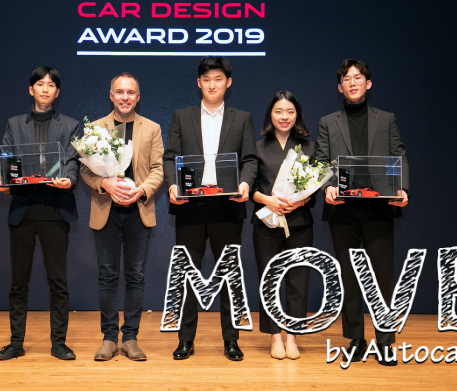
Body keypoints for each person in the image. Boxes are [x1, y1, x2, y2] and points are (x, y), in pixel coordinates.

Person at [314, 59, 409, 366]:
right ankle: (355, 339)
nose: (352, 82)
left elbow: (398, 155)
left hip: (379, 207)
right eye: (347, 79)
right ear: (339, 87)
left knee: (382, 276)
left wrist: (403, 188)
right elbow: (321, 161)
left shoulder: (387, 119)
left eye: (358, 78)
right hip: (343, 210)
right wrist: (326, 187)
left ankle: (385, 341)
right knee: (349, 277)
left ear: (368, 84)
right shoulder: (328, 122)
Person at [163, 56, 257, 361]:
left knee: (230, 275)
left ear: (228, 83)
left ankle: (231, 340)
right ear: (199, 83)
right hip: (190, 205)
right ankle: (185, 340)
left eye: (218, 79)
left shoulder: (242, 118)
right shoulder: (182, 116)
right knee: (187, 275)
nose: (212, 84)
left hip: (228, 205)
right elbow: (170, 157)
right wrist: (172, 185)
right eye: (207, 79)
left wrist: (246, 183)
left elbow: (250, 159)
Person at [0, 66, 80, 361]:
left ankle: (59, 343)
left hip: (55, 210)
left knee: (58, 282)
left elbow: (73, 161)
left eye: (51, 85)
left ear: (57, 92)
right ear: (31, 90)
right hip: (24, 211)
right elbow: (5, 156)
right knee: (19, 282)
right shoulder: (14, 123)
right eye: (40, 84)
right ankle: (16, 343)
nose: (45, 89)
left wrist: (69, 180)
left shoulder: (70, 125)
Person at [81, 73, 164, 361]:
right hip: (106, 210)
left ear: (137, 97)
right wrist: (104, 183)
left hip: (138, 209)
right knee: (107, 276)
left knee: (135, 276)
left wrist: (141, 190)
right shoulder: (95, 128)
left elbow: (158, 169)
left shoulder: (152, 128)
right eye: (120, 92)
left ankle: (130, 338)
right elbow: (85, 169)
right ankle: (108, 338)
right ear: (111, 95)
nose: (125, 97)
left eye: (130, 92)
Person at [250, 91, 315, 360]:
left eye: (290, 111)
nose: (284, 116)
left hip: (300, 222)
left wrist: (300, 201)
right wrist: (269, 200)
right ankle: (275, 337)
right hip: (266, 222)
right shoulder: (257, 147)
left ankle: (292, 337)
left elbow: (315, 190)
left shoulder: (309, 148)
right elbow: (250, 188)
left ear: (297, 114)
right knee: (269, 280)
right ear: (271, 115)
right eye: (279, 111)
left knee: (298, 280)